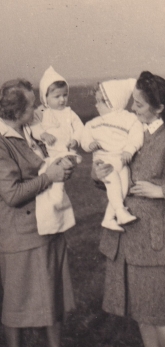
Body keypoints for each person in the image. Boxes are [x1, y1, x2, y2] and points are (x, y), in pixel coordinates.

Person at [93, 71, 165, 347]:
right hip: (124, 239)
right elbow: (110, 177)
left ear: (160, 108)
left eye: (139, 105)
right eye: (133, 103)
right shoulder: (130, 132)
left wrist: (162, 191)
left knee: (159, 314)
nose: (132, 109)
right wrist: (98, 173)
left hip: (153, 244)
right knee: (141, 314)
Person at [0, 78, 75, 347]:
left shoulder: (28, 132)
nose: (38, 111)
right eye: (32, 106)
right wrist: (50, 177)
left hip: (46, 231)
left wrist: (59, 166)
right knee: (16, 309)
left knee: (52, 303)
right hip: (21, 240)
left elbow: (42, 166)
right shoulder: (2, 142)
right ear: (15, 111)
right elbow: (12, 194)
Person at [81, 79, 144, 232]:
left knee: (121, 188)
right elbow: (85, 137)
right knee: (114, 183)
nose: (96, 105)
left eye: (100, 102)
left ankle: (109, 218)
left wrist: (130, 149)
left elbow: (137, 135)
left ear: (112, 102)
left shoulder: (129, 119)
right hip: (104, 160)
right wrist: (89, 145)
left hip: (121, 159)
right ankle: (120, 213)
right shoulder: (94, 123)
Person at [30, 66, 84, 234]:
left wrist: (75, 139)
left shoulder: (69, 112)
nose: (62, 100)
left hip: (65, 152)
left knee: (59, 181)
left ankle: (58, 208)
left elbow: (80, 128)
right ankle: (53, 211)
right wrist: (43, 134)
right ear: (45, 97)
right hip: (50, 155)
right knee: (50, 182)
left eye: (65, 95)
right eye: (57, 96)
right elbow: (33, 128)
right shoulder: (41, 113)